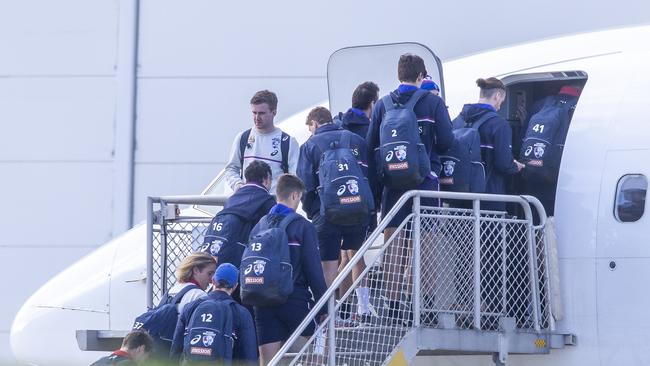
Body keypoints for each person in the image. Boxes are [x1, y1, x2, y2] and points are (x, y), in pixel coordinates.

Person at [366, 53, 454, 321]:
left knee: (393, 244)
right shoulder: (432, 102)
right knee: (424, 244)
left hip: (392, 185)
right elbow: (448, 140)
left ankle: (392, 306)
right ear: (421, 77)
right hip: (424, 182)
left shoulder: (383, 105)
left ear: (398, 75)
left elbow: (371, 146)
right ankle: (423, 306)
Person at [297, 107, 374, 324]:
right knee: (357, 257)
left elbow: (305, 185)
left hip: (326, 213)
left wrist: (314, 211)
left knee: (328, 264)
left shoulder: (310, 145)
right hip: (357, 210)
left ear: (314, 124)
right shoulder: (354, 139)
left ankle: (329, 312)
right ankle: (364, 308)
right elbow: (368, 174)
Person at [251, 174, 327, 365]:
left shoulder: (259, 225)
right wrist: (323, 305)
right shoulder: (302, 226)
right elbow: (313, 270)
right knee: (319, 343)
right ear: (295, 195)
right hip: (294, 300)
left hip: (262, 302)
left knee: (268, 362)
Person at [455, 77, 524, 211]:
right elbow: (503, 163)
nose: (499, 107)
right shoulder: (499, 125)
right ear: (497, 96)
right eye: (501, 102)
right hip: (489, 199)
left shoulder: (459, 121)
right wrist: (515, 166)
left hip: (458, 197)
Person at [171, 263, 258, 365]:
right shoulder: (241, 313)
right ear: (235, 286)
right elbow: (249, 356)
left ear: (213, 281)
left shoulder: (191, 307)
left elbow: (176, 349)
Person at [200, 160, 276, 266]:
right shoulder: (266, 200)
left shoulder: (232, 199)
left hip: (217, 255)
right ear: (266, 179)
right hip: (243, 256)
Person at [223, 90, 300, 193]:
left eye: (261, 113)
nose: (257, 118)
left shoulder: (288, 142)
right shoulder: (242, 138)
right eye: (254, 113)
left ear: (274, 112)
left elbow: (295, 178)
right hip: (247, 201)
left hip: (273, 204)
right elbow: (231, 169)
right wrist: (238, 185)